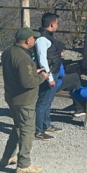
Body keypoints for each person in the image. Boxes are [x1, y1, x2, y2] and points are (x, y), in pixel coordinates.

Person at [0, 27, 50, 173]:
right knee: (27, 131)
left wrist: (33, 72)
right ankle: (24, 164)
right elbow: (28, 82)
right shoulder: (24, 58)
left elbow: (18, 74)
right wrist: (42, 77)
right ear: (28, 40)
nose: (34, 41)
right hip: (24, 100)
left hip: (12, 97)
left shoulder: (8, 52)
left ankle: (7, 157)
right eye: (33, 38)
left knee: (18, 128)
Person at [33, 13, 69, 141]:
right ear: (52, 24)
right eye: (57, 23)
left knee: (48, 101)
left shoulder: (48, 37)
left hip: (52, 72)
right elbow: (43, 60)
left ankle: (46, 124)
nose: (57, 25)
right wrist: (50, 78)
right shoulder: (43, 39)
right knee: (42, 102)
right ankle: (38, 130)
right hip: (48, 73)